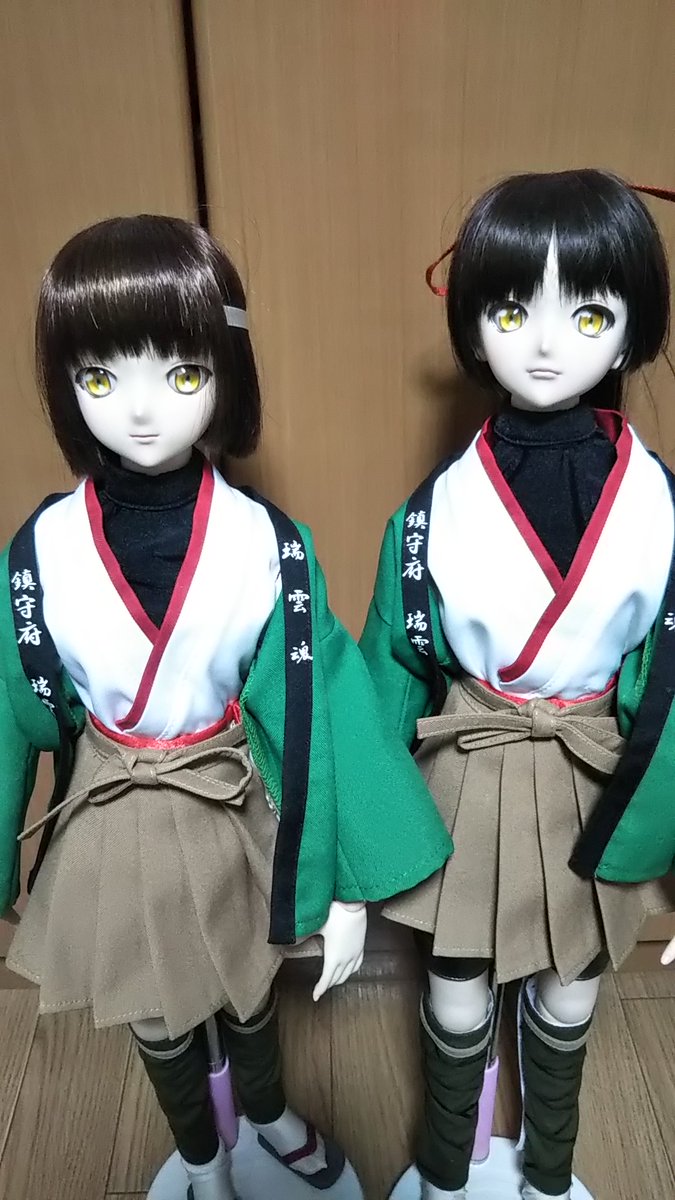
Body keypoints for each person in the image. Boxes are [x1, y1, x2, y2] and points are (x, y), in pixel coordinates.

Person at [0, 214, 452, 1200]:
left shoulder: (263, 543)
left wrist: (345, 888)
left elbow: (319, 709)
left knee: (248, 989)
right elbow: (10, 713)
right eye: (101, 377)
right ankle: (203, 1159)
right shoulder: (42, 552)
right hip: (113, 803)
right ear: (68, 384)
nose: (142, 410)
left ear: (224, 374)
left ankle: (270, 1113)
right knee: (153, 1014)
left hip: (224, 791)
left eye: (182, 373)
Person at [360, 170, 674, 1200]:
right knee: (454, 989)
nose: (543, 344)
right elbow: (393, 670)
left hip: (595, 768)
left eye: (585, 314)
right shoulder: (433, 511)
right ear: (473, 326)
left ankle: (548, 1170)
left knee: (571, 990)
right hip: (472, 761)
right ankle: (447, 1170)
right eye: (509, 312)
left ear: (628, 332)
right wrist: (353, 862)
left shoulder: (658, 506)